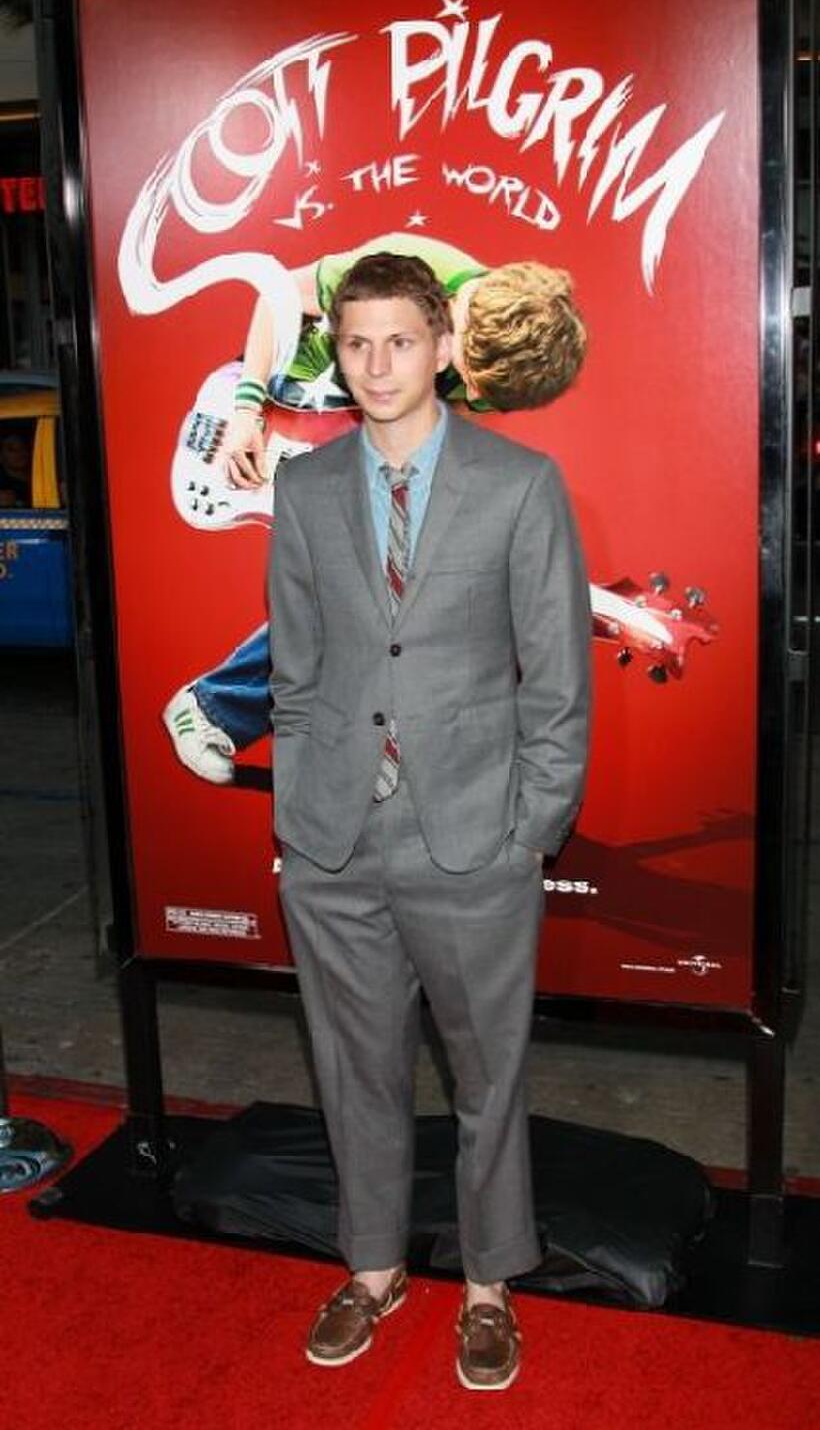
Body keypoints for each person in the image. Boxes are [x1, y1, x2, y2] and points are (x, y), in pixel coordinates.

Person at [270, 252, 591, 1389]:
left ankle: (491, 1283)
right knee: (351, 1064)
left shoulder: (520, 483)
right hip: (334, 840)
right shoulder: (306, 489)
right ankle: (372, 1268)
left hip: (475, 837)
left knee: (487, 1072)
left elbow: (557, 680)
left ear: (445, 347)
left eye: (400, 340)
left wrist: (530, 829)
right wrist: (298, 820)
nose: (376, 365)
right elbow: (296, 674)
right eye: (356, 342)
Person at [162, 233, 587, 783]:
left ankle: (236, 714)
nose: (472, 390)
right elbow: (277, 297)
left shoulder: (493, 371)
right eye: (470, 373)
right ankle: (213, 708)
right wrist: (246, 411)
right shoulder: (405, 269)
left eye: (482, 390)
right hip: (279, 413)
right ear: (465, 318)